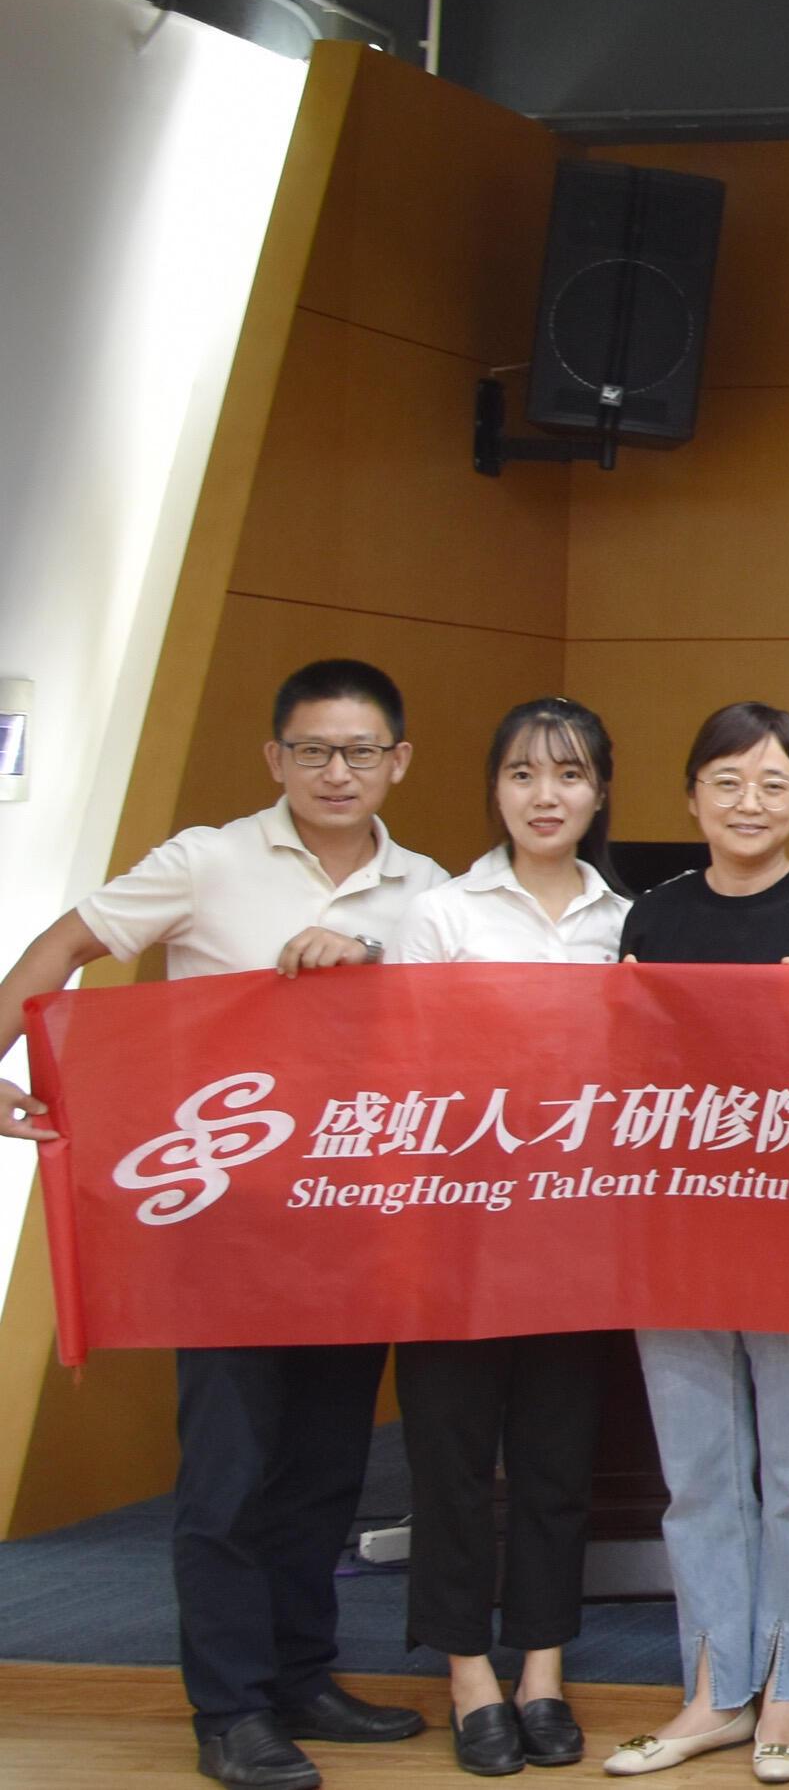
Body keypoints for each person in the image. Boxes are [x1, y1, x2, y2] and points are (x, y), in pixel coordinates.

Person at [0, 659, 443, 1790]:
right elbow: (63, 947)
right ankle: (232, 1709)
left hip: (353, 1222)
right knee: (229, 1474)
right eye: (313, 749)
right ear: (274, 757)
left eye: (359, 750)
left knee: (325, 1468)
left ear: (398, 760)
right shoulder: (206, 859)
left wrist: (372, 955)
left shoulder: (427, 888)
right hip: (224, 1226)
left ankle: (302, 1675)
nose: (336, 771)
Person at [609, 702, 789, 1783]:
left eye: (774, 783)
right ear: (691, 797)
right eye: (726, 781)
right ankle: (713, 1683)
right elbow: (625, 1072)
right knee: (699, 1472)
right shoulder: (653, 913)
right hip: (675, 1226)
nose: (749, 802)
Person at [388, 697, 632, 1778]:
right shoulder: (441, 913)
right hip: (454, 1231)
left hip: (576, 1233)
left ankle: (541, 1666)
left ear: (599, 791)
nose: (546, 796)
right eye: (524, 774)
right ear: (494, 788)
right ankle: (466, 1672)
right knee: (449, 1456)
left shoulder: (629, 921)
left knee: (554, 1457)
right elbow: (405, 1070)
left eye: (569, 774)